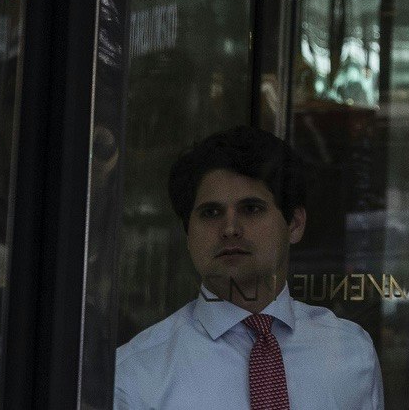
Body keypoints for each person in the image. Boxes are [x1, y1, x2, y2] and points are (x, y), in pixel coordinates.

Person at [112, 127, 382, 410]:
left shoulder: (351, 354)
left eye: (251, 209)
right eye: (211, 213)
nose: (230, 229)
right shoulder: (136, 375)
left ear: (294, 224)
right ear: (188, 235)